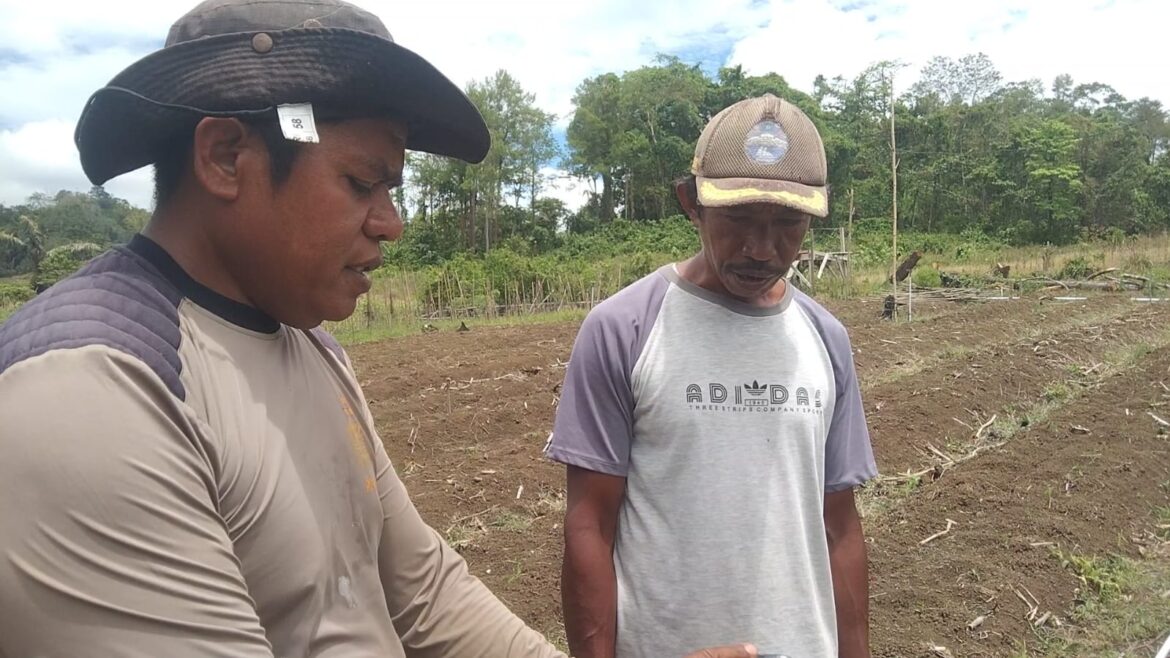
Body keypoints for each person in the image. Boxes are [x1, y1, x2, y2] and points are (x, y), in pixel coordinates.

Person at [0, 2, 759, 657]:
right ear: (226, 156)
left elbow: (420, 587)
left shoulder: (309, 346)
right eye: (362, 183)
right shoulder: (94, 389)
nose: (391, 224)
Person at [546, 94, 879, 658]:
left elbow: (839, 526)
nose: (760, 249)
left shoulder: (826, 339)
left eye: (787, 224)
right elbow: (589, 527)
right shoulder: (624, 329)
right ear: (692, 203)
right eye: (738, 219)